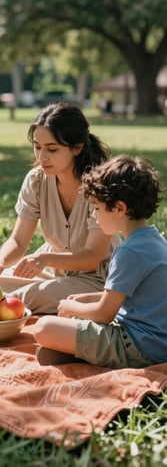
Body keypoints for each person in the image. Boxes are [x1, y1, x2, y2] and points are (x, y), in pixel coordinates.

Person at [0, 102, 121, 314]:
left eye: (52, 149)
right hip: (52, 269)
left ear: (77, 147)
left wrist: (44, 259)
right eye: (37, 147)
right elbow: (18, 241)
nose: (41, 157)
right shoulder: (36, 180)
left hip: (97, 277)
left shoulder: (101, 185)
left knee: (27, 297)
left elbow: (91, 256)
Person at [34, 154, 166, 368]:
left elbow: (104, 314)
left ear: (120, 208)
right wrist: (86, 298)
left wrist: (71, 306)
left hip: (137, 346)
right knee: (72, 322)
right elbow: (131, 295)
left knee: (44, 327)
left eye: (96, 208)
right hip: (154, 342)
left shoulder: (129, 251)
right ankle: (78, 352)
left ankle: (88, 353)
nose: (94, 217)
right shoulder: (153, 240)